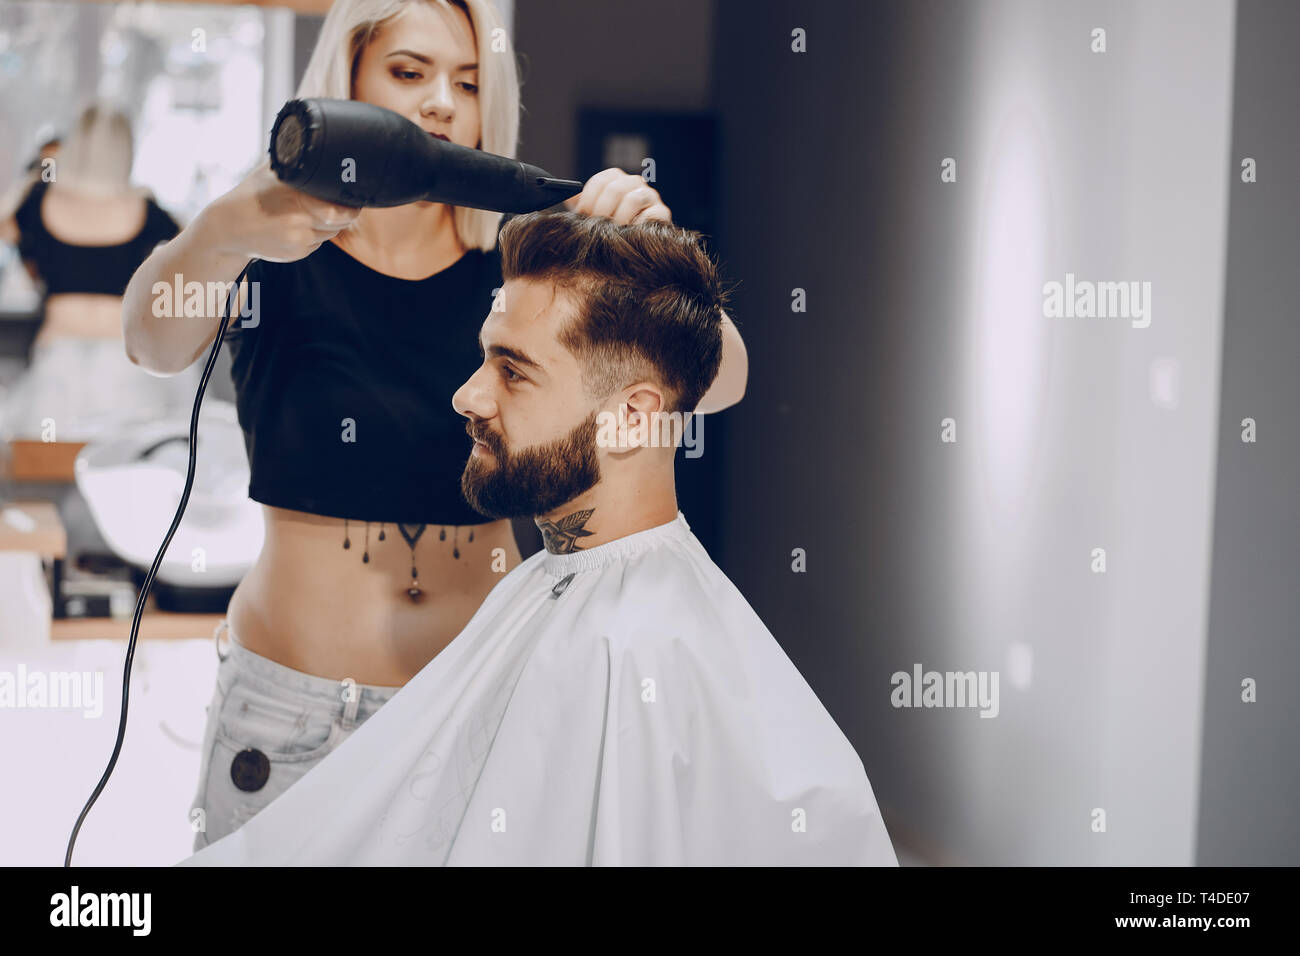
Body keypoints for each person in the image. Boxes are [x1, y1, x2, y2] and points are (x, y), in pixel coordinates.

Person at [120, 0, 748, 851]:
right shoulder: (268, 249)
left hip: (475, 702)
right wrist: (226, 225)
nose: (443, 103)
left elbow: (719, 383)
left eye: (469, 82)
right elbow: (151, 339)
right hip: (293, 712)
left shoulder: (526, 265)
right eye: (408, 73)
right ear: (347, 80)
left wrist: (652, 246)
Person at [179, 211, 895, 866]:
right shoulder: (540, 591)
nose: (467, 396)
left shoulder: (641, 653)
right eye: (485, 357)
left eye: (512, 371)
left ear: (633, 415)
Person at [0, 104, 190, 440]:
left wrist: (39, 174)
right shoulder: (146, 208)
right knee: (122, 472)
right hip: (123, 363)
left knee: (44, 467)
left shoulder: (38, 200)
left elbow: (6, 225)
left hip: (58, 364)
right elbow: (193, 245)